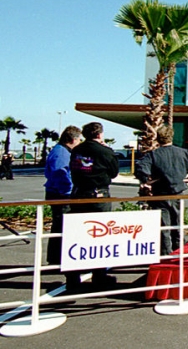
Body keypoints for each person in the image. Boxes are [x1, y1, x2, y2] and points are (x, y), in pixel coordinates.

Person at [135, 126, 188, 256]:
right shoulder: (184, 152)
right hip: (178, 193)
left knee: (163, 227)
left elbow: (140, 168)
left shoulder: (153, 155)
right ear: (171, 137)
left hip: (159, 195)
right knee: (178, 224)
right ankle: (179, 252)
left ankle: (165, 254)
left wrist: (147, 181)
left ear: (158, 138)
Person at [69, 122, 119, 291]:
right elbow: (114, 172)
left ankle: (72, 277)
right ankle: (99, 276)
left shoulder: (77, 150)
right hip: (98, 196)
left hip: (78, 194)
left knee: (76, 235)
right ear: (99, 135)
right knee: (100, 235)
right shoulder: (105, 151)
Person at [44, 125, 82, 267]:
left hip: (59, 193)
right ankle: (55, 259)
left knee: (61, 225)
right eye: (79, 140)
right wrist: (68, 192)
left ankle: (57, 258)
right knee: (61, 226)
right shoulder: (61, 153)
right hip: (60, 194)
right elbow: (60, 174)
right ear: (73, 139)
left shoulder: (62, 151)